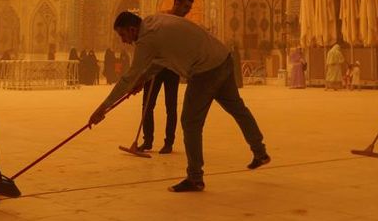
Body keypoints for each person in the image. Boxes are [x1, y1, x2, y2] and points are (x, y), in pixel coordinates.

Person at [90, 11, 270, 193]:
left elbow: (128, 78)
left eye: (123, 35)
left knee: (190, 122)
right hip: (223, 58)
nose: (123, 41)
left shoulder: (146, 39)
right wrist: (144, 78)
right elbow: (163, 57)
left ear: (132, 29)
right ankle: (260, 152)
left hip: (204, 70)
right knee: (237, 108)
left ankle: (195, 178)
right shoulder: (154, 21)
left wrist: (103, 108)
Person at [139, 0, 192, 154]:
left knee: (171, 106)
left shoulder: (183, 25)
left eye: (189, 8)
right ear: (176, 3)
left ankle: (169, 142)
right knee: (147, 105)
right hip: (155, 67)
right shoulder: (161, 18)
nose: (187, 11)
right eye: (185, 7)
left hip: (171, 69)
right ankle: (147, 141)